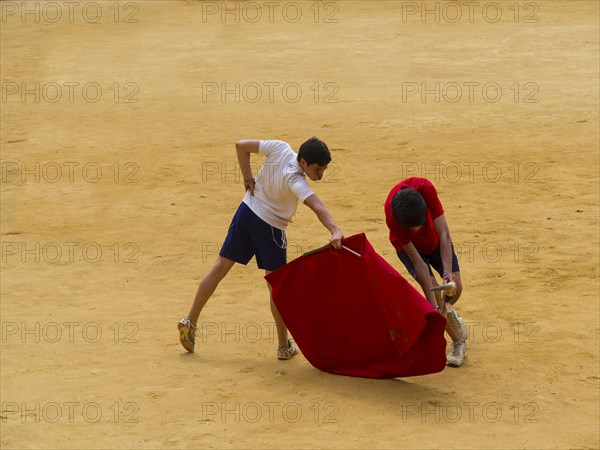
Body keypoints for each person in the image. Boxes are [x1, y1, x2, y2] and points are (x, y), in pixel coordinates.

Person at [178, 137, 343, 360]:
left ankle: (190, 319)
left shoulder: (280, 147)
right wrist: (334, 230)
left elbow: (240, 146)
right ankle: (284, 346)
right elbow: (316, 205)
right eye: (316, 169)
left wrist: (247, 177)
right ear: (303, 162)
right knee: (276, 286)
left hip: (246, 211)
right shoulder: (295, 178)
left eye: (323, 170)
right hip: (270, 229)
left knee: (220, 266)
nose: (320, 176)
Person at [384, 177, 468, 367]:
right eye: (412, 227)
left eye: (419, 223)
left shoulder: (426, 189)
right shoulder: (393, 217)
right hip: (410, 250)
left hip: (437, 241)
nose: (416, 229)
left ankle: (450, 314)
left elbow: (445, 233)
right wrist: (435, 311)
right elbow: (419, 265)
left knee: (457, 287)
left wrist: (447, 272)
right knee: (437, 298)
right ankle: (459, 341)